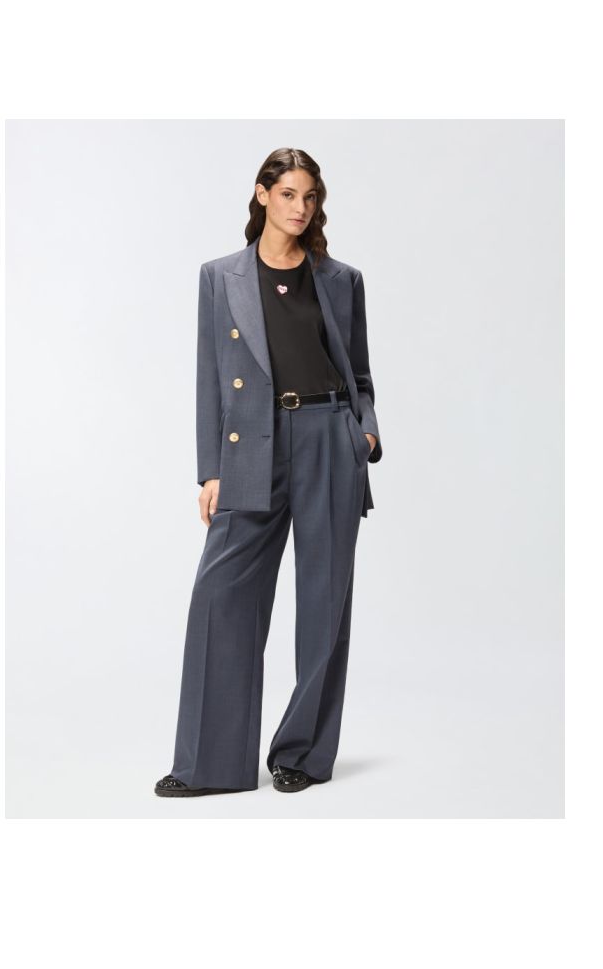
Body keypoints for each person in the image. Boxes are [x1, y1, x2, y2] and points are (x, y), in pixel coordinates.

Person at [155, 147, 383, 797]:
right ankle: (210, 766)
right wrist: (211, 470)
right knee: (222, 598)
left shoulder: (340, 279)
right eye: (287, 194)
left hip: (328, 440)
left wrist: (364, 431)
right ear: (262, 194)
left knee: (324, 602)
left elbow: (359, 373)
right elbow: (209, 377)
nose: (299, 207)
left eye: (310, 197)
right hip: (251, 444)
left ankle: (302, 754)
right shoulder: (220, 276)